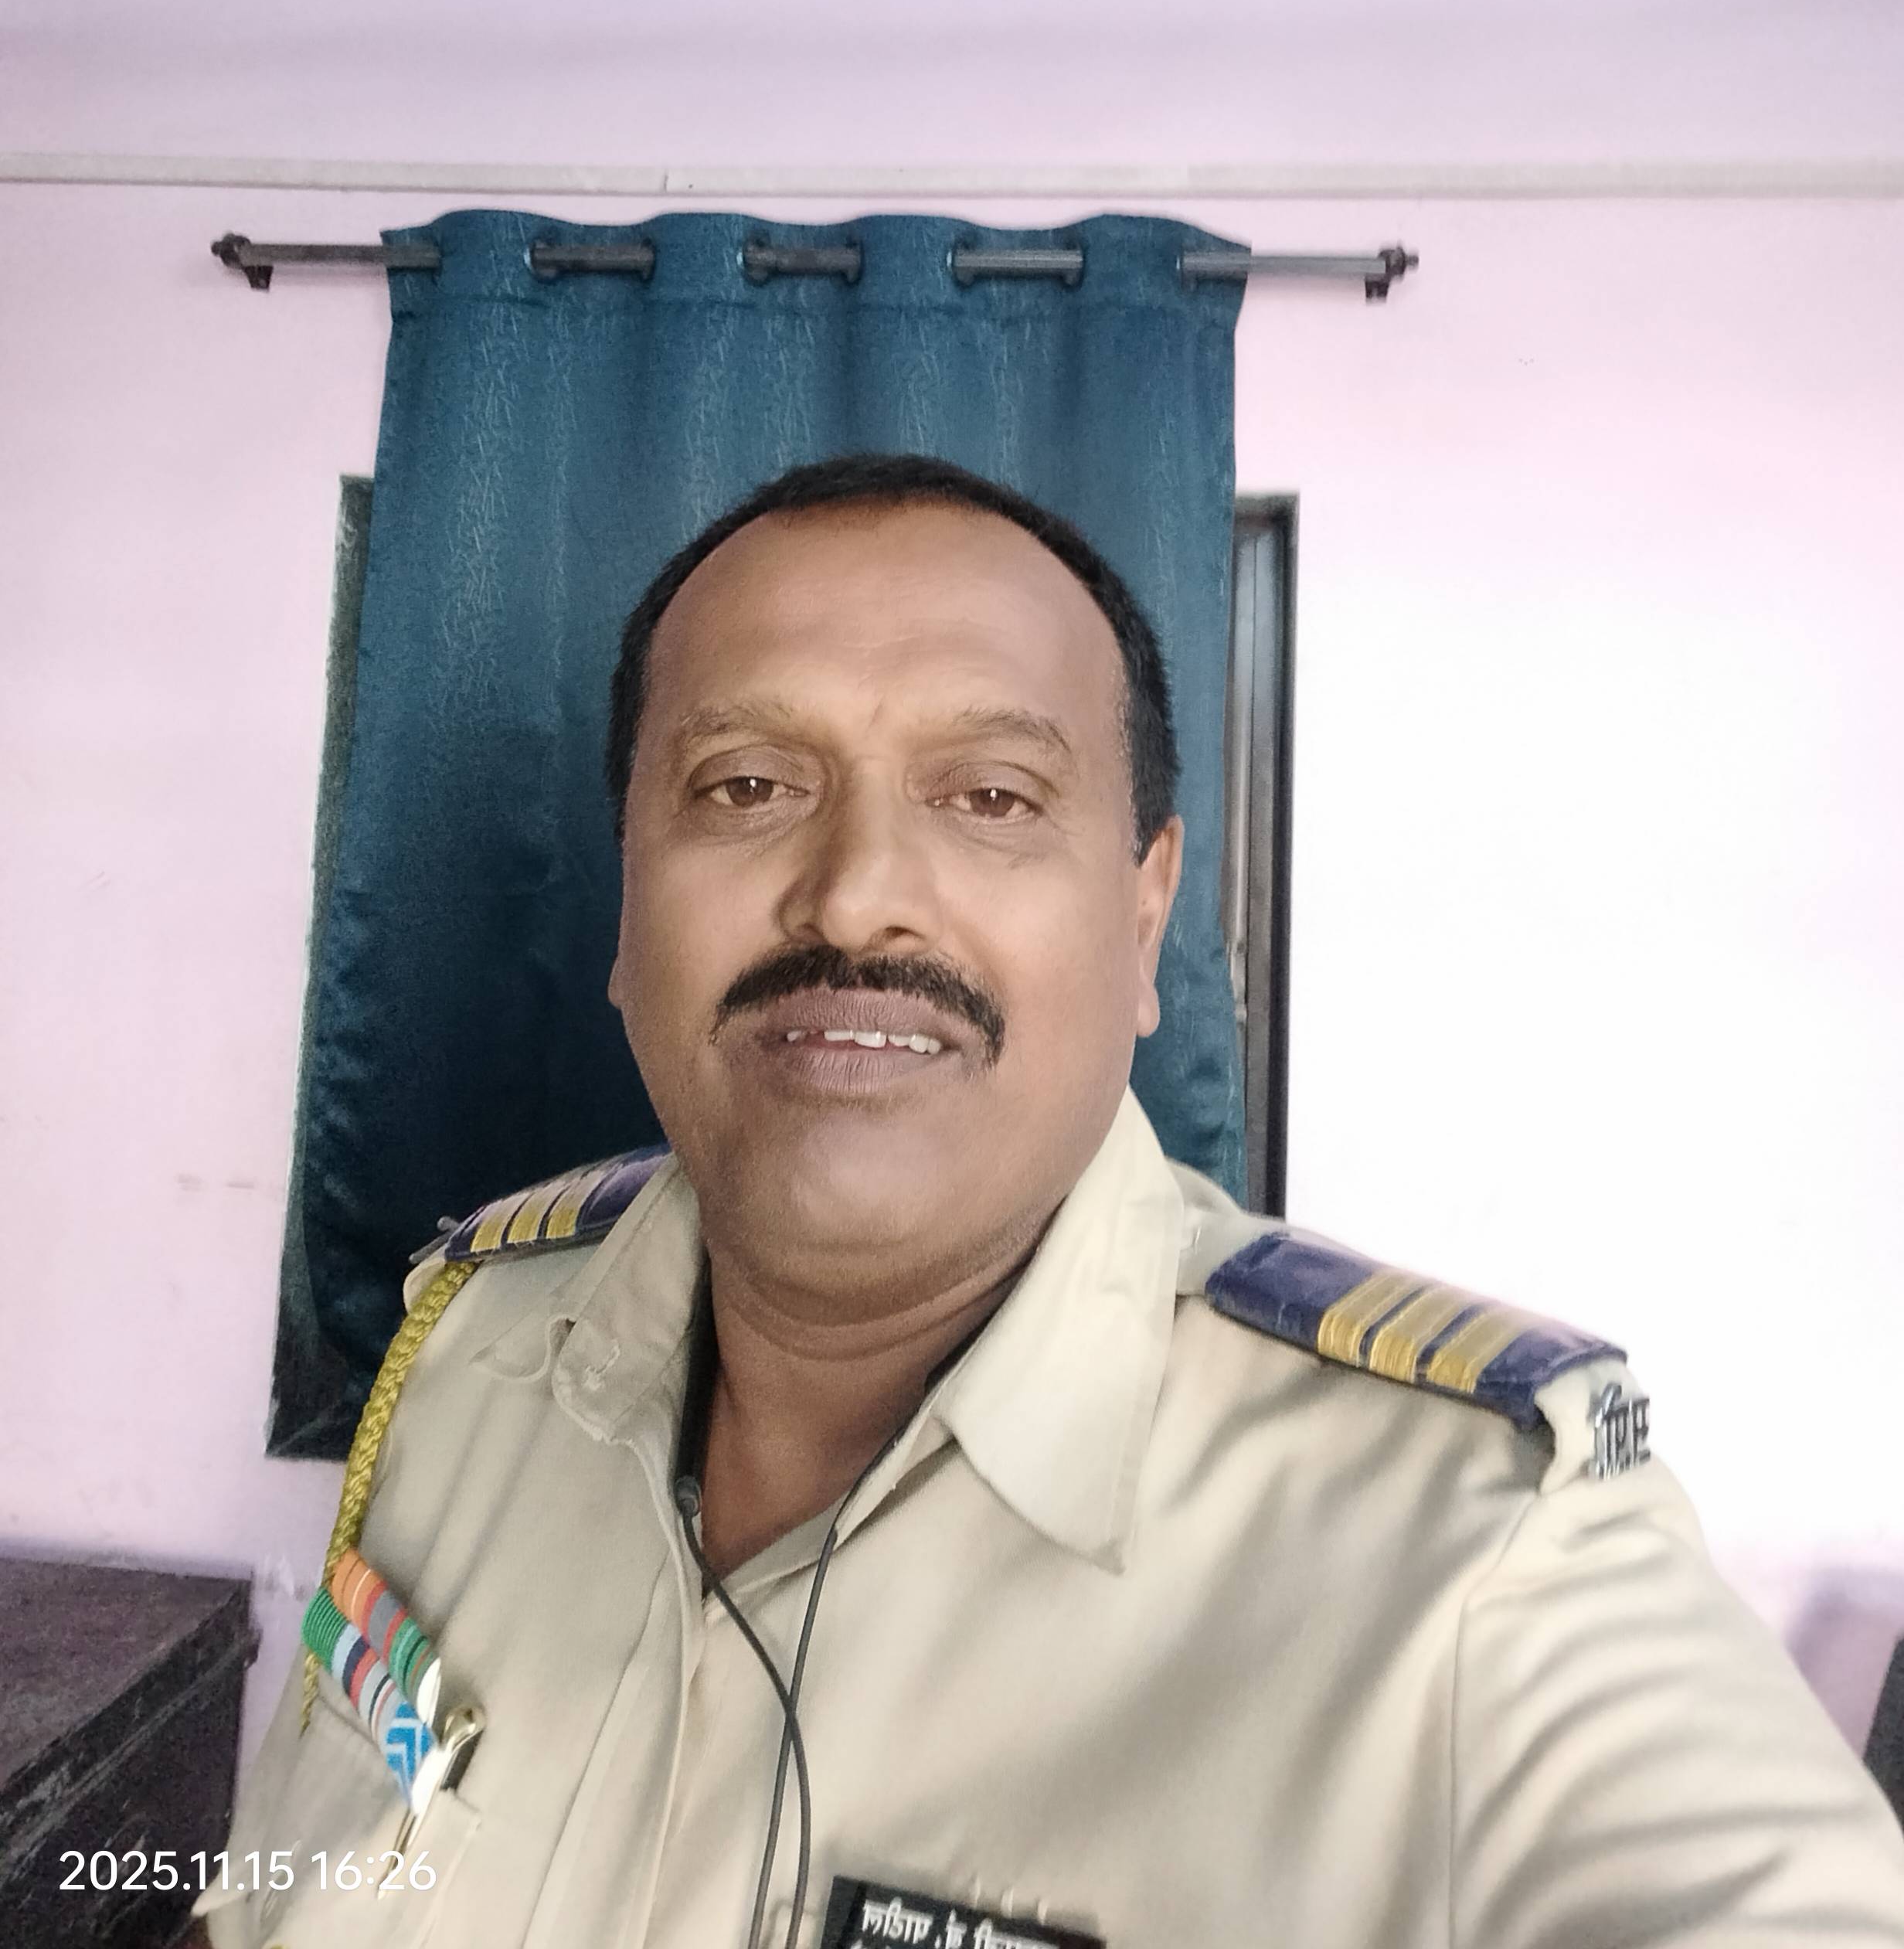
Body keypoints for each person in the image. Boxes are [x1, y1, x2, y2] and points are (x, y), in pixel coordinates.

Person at [196, 453, 1904, 1949]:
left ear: (1144, 919)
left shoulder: (1481, 1564)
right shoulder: (469, 1355)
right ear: (628, 905)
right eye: (745, 786)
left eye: (993, 797)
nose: (856, 891)